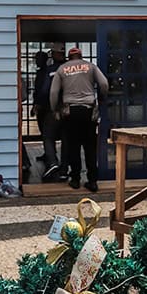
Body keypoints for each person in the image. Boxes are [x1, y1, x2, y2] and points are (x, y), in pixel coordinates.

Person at [50, 47, 108, 192]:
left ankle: (75, 179)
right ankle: (93, 181)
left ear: (69, 57)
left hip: (70, 111)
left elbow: (53, 92)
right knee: (90, 146)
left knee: (73, 146)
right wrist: (101, 98)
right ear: (81, 56)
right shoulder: (91, 67)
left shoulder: (62, 69)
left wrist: (54, 109)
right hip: (88, 110)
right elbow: (104, 84)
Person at [36, 44, 66, 182]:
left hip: (53, 107)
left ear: (54, 54)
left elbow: (45, 91)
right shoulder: (70, 68)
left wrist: (41, 104)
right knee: (67, 138)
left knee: (48, 136)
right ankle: (65, 168)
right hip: (70, 108)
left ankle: (53, 162)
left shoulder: (50, 71)